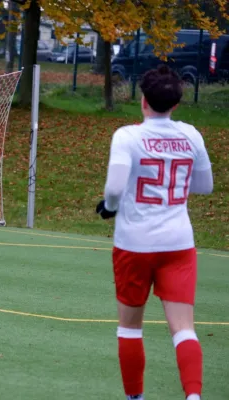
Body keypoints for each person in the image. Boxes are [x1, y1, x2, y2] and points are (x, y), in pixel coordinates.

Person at [96, 65, 214, 400]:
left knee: (130, 327)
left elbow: (115, 188)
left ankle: (135, 398)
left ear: (143, 101)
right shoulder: (191, 135)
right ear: (175, 103)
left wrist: (109, 207)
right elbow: (205, 186)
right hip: (178, 241)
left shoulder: (128, 136)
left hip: (134, 243)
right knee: (184, 329)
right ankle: (193, 396)